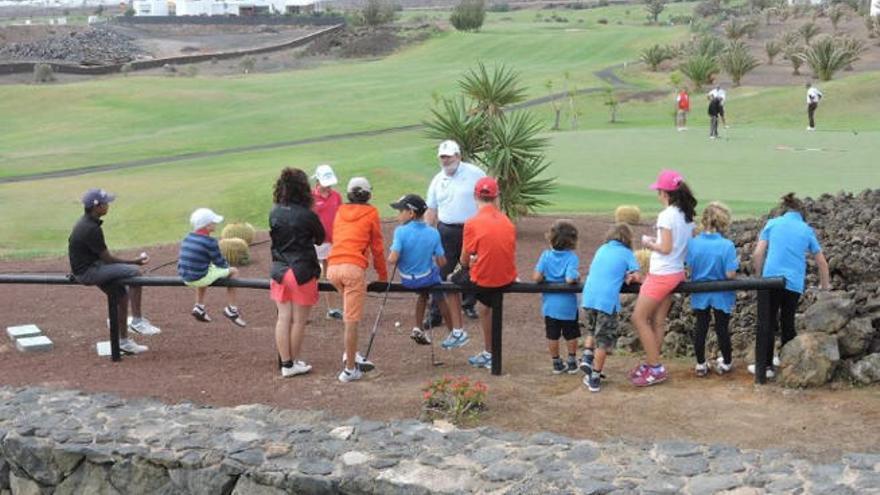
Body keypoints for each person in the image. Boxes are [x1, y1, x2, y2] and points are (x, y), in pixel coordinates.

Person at [68, 188, 159, 355]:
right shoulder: (91, 228)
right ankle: (137, 322)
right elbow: (108, 259)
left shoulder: (86, 222)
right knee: (135, 273)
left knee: (121, 296)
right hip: (89, 272)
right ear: (97, 207)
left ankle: (123, 341)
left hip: (90, 268)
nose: (108, 206)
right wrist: (135, 262)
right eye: (106, 203)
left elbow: (102, 259)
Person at [750, 193, 830, 379]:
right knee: (788, 322)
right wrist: (824, 287)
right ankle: (789, 364)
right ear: (802, 214)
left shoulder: (773, 223)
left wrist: (758, 277)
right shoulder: (806, 229)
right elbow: (822, 262)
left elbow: (758, 253)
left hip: (770, 280)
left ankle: (766, 367)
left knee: (767, 322)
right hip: (793, 283)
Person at [630, 170, 696, 387]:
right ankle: (652, 363)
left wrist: (649, 243)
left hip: (662, 274)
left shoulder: (667, 215)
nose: (658, 195)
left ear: (665, 193)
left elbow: (665, 247)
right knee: (658, 321)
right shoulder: (686, 216)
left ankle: (655, 367)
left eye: (658, 191)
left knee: (639, 318)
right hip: (675, 272)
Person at [327, 177, 388, 383]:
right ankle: (350, 369)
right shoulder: (371, 213)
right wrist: (383, 276)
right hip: (353, 269)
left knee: (348, 315)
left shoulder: (340, 212)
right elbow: (377, 247)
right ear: (368, 194)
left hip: (333, 268)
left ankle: (351, 354)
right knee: (351, 321)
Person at [425, 139, 486, 342]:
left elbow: (486, 199)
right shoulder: (436, 180)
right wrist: (427, 233)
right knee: (443, 269)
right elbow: (431, 209)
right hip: (446, 229)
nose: (445, 161)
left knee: (471, 268)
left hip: (471, 228)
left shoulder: (475, 173)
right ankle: (436, 313)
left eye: (448, 156)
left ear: (458, 156)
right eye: (442, 157)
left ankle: (468, 303)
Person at [270, 168, 325, 378]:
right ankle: (293, 362)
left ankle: (286, 363)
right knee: (299, 321)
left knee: (283, 318)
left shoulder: (274, 211)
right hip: (302, 271)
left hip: (279, 270)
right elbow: (320, 238)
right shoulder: (307, 214)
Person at [459, 177, 517, 370]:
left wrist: (472, 260)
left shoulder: (472, 222)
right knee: (487, 307)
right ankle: (489, 352)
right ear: (496, 197)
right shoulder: (507, 221)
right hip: (506, 276)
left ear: (476, 196)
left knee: (451, 283)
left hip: (485, 279)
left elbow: (464, 260)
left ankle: (458, 332)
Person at [580, 223, 642, 392]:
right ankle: (595, 377)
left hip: (589, 296)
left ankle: (586, 357)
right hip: (606, 301)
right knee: (603, 341)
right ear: (628, 239)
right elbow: (637, 275)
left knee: (592, 331)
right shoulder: (627, 253)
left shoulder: (602, 249)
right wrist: (630, 277)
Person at [387, 193, 452, 346]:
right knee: (439, 292)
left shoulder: (400, 232)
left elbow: (392, 259)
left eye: (400, 211)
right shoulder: (433, 232)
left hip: (407, 279)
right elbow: (442, 262)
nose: (398, 215)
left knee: (423, 293)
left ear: (411, 213)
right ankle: (453, 332)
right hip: (427, 278)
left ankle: (418, 328)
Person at [686, 202, 738, 377]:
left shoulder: (693, 243)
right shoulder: (727, 245)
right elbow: (730, 274)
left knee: (701, 326)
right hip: (722, 294)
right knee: (722, 327)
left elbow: (690, 269)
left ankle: (700, 364)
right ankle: (726, 362)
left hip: (700, 292)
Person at [178, 207, 246, 327]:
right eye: (213, 222)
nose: (216, 224)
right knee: (234, 272)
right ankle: (232, 309)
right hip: (199, 277)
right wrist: (227, 269)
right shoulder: (210, 241)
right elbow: (220, 263)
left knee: (206, 269)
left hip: (185, 276)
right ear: (207, 226)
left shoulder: (187, 237)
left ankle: (199, 306)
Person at [532, 220, 581, 375]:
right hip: (568, 306)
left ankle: (556, 362)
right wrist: (577, 277)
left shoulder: (545, 256)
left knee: (552, 335)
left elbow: (537, 277)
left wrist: (547, 277)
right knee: (571, 334)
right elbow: (570, 278)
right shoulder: (572, 257)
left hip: (550, 306)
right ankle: (572, 361)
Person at [312, 164, 344, 320]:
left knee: (329, 275)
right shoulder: (310, 197)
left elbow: (341, 216)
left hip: (333, 241)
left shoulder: (336, 196)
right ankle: (300, 310)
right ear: (317, 180)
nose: (329, 186)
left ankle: (331, 309)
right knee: (311, 275)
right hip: (315, 243)